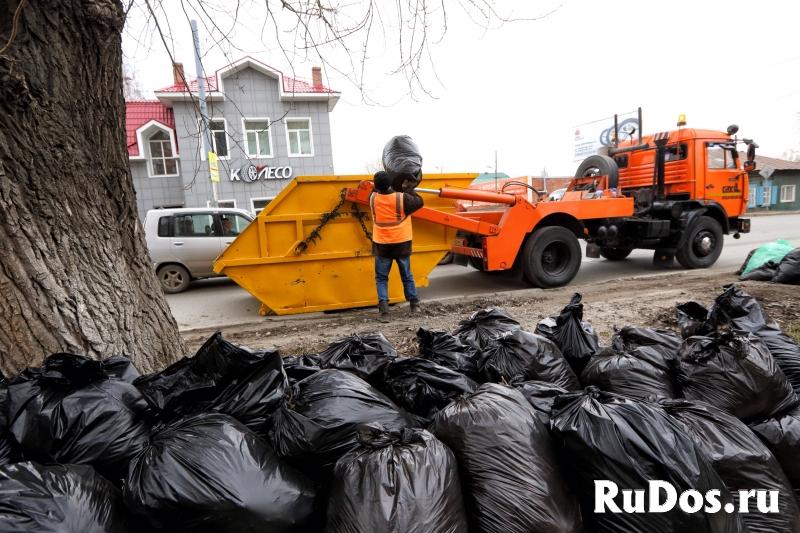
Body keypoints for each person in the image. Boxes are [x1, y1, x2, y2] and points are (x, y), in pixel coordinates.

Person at [369, 170, 424, 322]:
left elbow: (376, 190)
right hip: (401, 243)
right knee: (406, 275)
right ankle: (414, 305)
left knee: (381, 278)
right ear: (391, 183)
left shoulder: (372, 198)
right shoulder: (402, 198)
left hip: (382, 245)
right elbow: (419, 201)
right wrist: (407, 187)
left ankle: (385, 312)